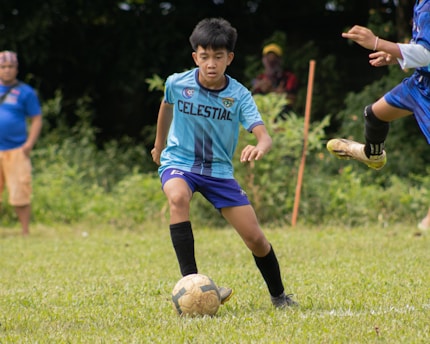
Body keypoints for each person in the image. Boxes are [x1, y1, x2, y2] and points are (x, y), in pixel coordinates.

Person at [151, 18, 298, 308]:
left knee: (255, 239)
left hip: (218, 172)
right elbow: (166, 107)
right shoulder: (177, 83)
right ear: (195, 57)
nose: (210, 64)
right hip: (179, 162)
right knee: (178, 197)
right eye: (204, 57)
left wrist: (260, 146)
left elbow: (264, 137)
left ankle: (280, 297)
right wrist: (159, 144)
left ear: (229, 58)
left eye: (218, 57)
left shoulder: (240, 95)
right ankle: (192, 285)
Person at [327, 0, 430, 173]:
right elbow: (423, 48)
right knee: (374, 115)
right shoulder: (421, 3)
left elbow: (425, 55)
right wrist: (395, 55)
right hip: (420, 83)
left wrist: (377, 42)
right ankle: (373, 156)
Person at [0, 51, 43, 236]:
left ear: (16, 69)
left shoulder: (26, 92)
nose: (7, 70)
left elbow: (36, 119)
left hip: (17, 149)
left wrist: (29, 144)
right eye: (3, 67)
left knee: (20, 192)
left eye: (10, 67)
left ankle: (25, 232)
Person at [251, 43, 299, 119]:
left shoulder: (289, 77)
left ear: (280, 60)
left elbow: (292, 101)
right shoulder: (260, 78)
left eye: (274, 59)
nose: (271, 62)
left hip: (282, 121)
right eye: (268, 59)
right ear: (264, 61)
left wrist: (271, 90)